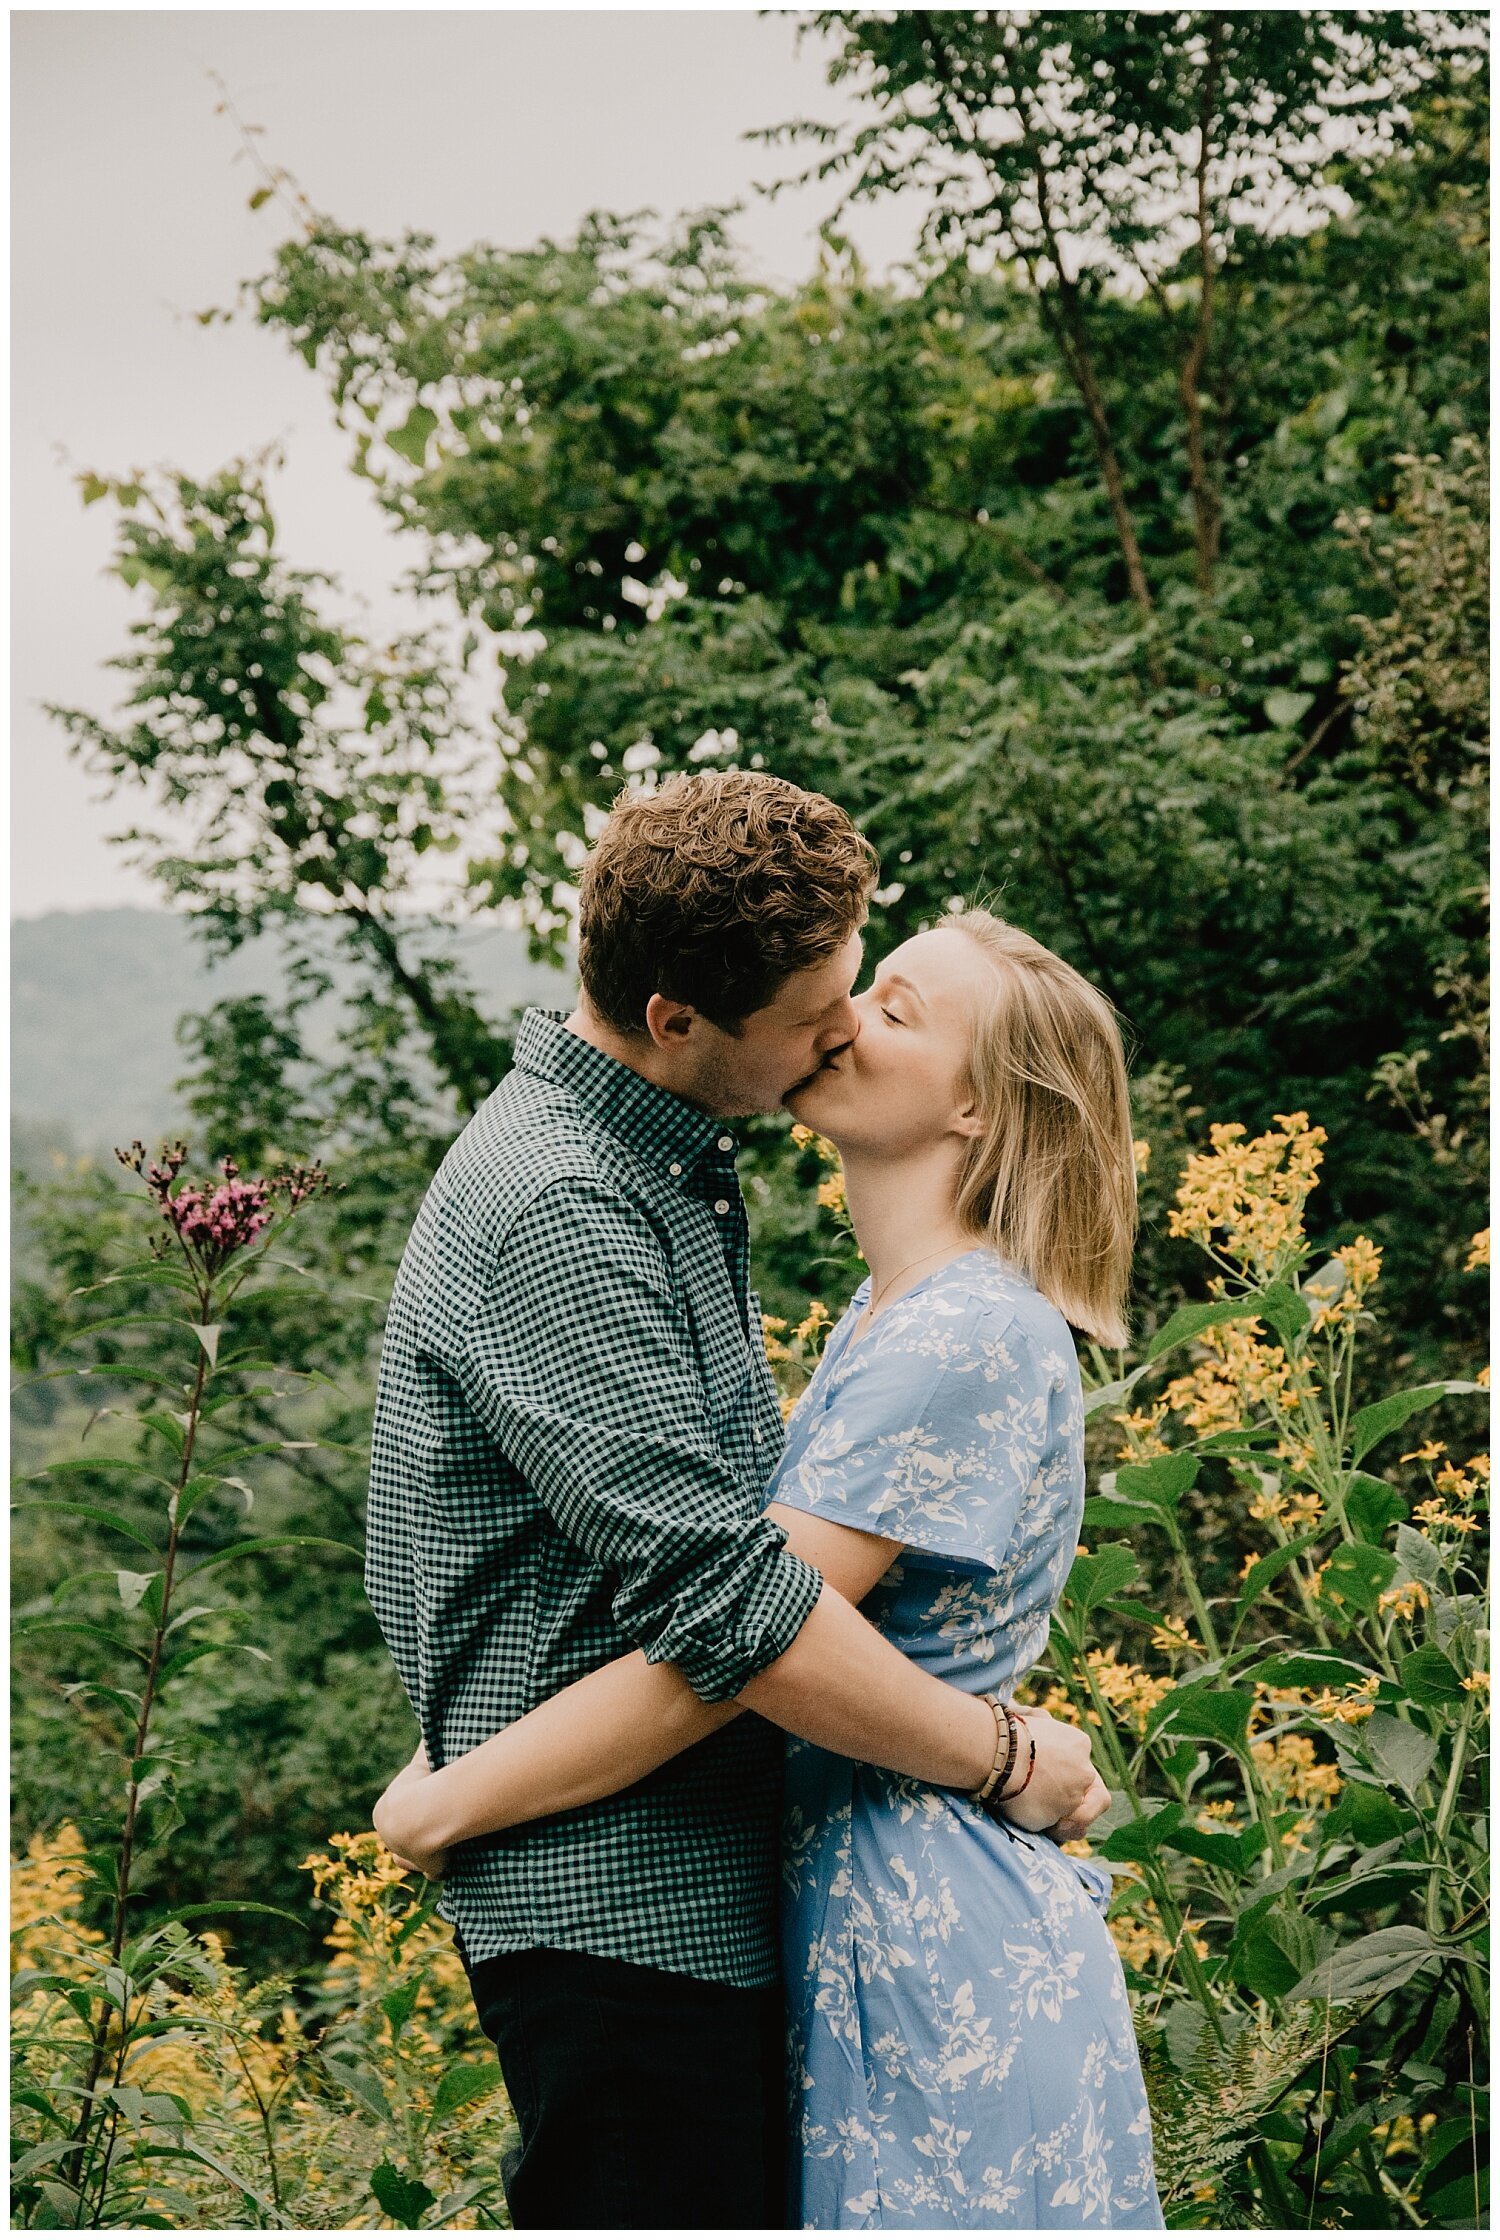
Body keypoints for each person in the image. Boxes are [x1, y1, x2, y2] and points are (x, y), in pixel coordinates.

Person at [364, 772, 1107, 2233]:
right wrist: (1004, 1751)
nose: (839, 1029)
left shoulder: (679, 1181)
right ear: (675, 1022)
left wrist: (451, 1791)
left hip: (721, 1900)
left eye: (876, 999)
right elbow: (740, 1616)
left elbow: (729, 1584)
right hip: (623, 1912)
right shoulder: (567, 1206)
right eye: (825, 1012)